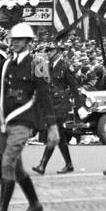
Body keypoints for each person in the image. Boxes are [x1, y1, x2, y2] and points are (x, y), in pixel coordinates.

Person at [0, 23, 57, 211]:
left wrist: (52, 125)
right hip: (1, 120)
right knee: (16, 168)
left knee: (7, 162)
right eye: (13, 40)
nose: (15, 43)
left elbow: (45, 95)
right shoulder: (5, 64)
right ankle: (34, 203)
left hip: (23, 119)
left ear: (29, 42)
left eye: (20, 40)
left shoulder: (38, 63)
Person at [33, 42, 80, 175]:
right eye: (47, 50)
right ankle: (69, 164)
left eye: (51, 50)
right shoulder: (47, 66)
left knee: (54, 133)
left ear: (58, 51)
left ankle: (42, 164)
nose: (48, 53)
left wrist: (79, 105)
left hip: (60, 105)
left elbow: (74, 87)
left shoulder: (65, 66)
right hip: (51, 104)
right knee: (60, 137)